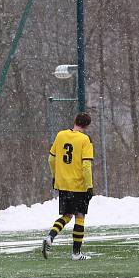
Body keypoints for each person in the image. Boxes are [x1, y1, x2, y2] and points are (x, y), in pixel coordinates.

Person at [42, 112, 94, 261]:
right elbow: (86, 165)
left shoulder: (60, 135)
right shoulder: (85, 140)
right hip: (79, 184)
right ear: (87, 126)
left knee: (67, 215)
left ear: (75, 121)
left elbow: (51, 159)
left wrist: (55, 176)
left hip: (63, 183)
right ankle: (76, 253)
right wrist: (89, 186)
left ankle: (50, 237)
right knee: (80, 216)